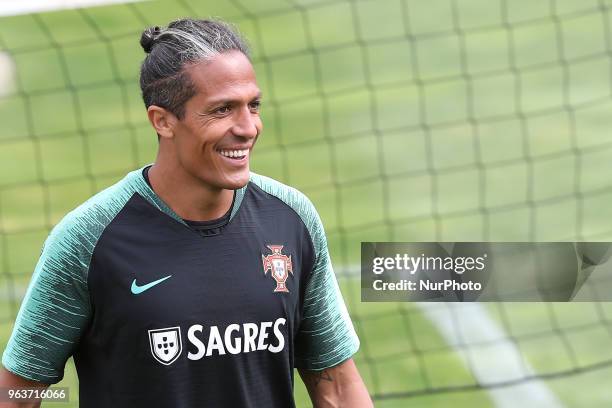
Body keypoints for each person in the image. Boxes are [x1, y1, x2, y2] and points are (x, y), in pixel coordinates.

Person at [0, 18, 372, 407]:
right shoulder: (88, 239)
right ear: (162, 121)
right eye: (222, 110)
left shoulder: (292, 218)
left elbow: (338, 387)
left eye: (253, 105)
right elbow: (16, 394)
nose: (248, 128)